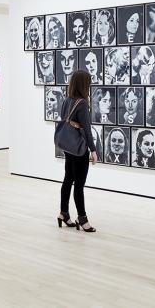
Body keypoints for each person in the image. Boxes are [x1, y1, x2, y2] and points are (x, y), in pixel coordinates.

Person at [57, 70, 98, 232]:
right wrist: (93, 150)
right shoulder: (82, 104)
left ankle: (64, 213)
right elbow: (87, 130)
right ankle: (82, 218)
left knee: (68, 179)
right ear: (84, 85)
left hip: (68, 147)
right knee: (79, 185)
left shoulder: (67, 100)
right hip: (79, 149)